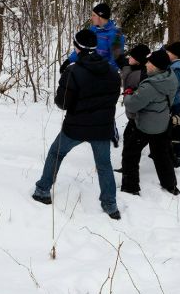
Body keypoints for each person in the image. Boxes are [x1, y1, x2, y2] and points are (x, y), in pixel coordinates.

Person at [33, 29, 122, 220]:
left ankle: (42, 190)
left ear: (77, 47)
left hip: (76, 127)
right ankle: (110, 205)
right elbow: (112, 99)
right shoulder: (113, 72)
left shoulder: (73, 71)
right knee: (104, 166)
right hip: (101, 128)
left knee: (56, 153)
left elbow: (62, 103)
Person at [120, 49, 180, 196]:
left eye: (149, 62)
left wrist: (128, 94)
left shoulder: (150, 86)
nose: (146, 64)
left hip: (144, 126)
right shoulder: (170, 77)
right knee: (162, 156)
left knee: (130, 154)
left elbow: (132, 105)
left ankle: (130, 187)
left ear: (156, 66)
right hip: (162, 123)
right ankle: (170, 185)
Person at [115, 44, 150, 171]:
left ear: (138, 60)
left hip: (141, 115)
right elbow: (119, 60)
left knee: (132, 144)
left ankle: (128, 171)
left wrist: (131, 94)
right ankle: (127, 167)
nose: (129, 58)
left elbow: (143, 95)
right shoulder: (130, 65)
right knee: (129, 139)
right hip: (133, 114)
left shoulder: (144, 74)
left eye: (132, 56)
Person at [67, 3, 125, 70]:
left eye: (94, 15)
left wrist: (105, 75)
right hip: (88, 69)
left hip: (103, 74)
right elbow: (81, 49)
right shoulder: (92, 29)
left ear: (100, 17)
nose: (91, 18)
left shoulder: (115, 34)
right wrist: (69, 60)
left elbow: (115, 60)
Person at [165, 41, 180, 167]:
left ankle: (179, 155)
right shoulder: (172, 65)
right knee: (169, 127)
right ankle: (168, 152)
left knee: (175, 128)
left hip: (173, 103)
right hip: (170, 102)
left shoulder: (177, 68)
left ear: (174, 55)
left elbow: (173, 86)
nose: (166, 54)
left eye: (168, 52)